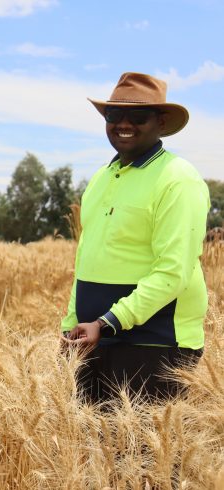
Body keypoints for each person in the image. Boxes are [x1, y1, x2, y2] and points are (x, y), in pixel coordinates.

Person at [61, 72, 210, 405]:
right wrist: (71, 324)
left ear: (160, 122)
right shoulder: (101, 178)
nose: (123, 123)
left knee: (144, 455)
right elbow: (86, 258)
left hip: (155, 344)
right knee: (92, 453)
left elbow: (172, 272)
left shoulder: (178, 179)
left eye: (138, 116)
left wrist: (108, 322)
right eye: (114, 115)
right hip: (93, 341)